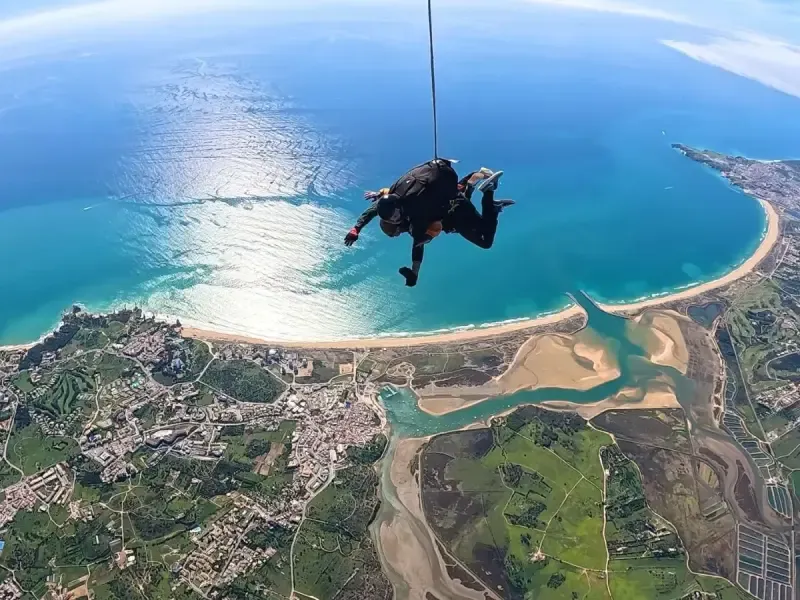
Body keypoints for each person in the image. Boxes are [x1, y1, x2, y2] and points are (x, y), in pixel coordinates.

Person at [344, 160, 513, 287]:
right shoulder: (394, 198)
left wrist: (414, 273)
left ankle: (489, 193)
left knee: (485, 240)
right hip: (448, 193)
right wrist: (356, 229)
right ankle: (476, 185)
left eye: (395, 232)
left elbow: (417, 248)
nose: (398, 233)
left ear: (397, 225)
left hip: (455, 210)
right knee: (459, 199)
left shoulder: (415, 219)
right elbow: (371, 211)